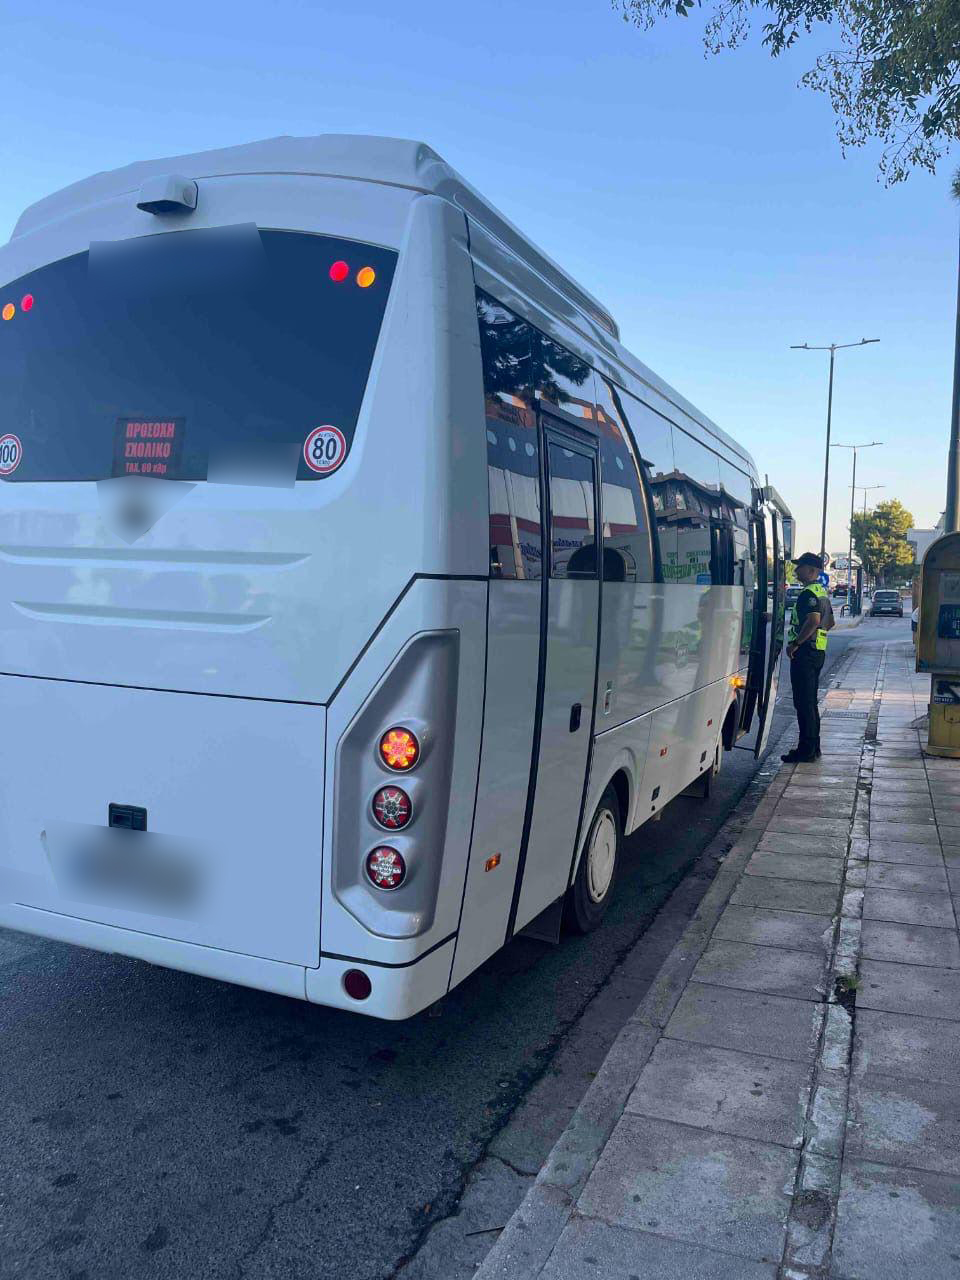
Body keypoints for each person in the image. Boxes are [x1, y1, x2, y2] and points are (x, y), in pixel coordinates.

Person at [782, 552, 830, 764]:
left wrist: (796, 643)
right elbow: (829, 622)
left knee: (803, 703)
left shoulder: (808, 594)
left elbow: (813, 620)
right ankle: (813, 747)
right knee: (810, 702)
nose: (795, 570)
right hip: (817, 651)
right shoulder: (821, 592)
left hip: (805, 653)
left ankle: (806, 750)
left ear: (811, 570)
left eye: (799, 566)